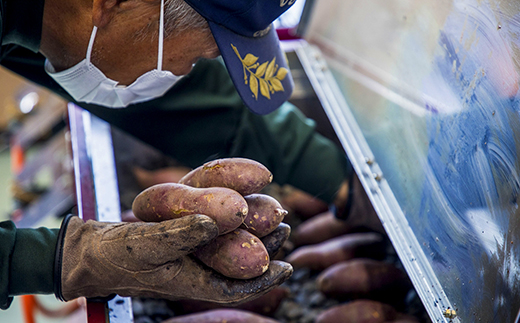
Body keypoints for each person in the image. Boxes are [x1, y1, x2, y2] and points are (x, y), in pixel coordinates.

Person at [0, 0, 374, 312]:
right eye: (197, 57)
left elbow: (203, 104)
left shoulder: (62, 17)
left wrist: (345, 186)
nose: (183, 72)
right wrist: (71, 258)